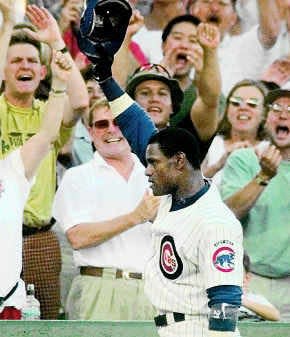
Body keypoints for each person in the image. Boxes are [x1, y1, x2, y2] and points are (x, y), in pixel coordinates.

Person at [0, 4, 88, 319]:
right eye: (16, 60)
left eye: (32, 61)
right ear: (4, 70)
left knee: (46, 321)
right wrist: (9, 23)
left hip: (38, 239)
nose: (25, 66)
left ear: (42, 71)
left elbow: (79, 103)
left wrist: (56, 44)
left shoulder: (48, 111)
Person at [52, 97, 160, 320]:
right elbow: (78, 237)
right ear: (91, 132)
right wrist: (135, 217)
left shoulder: (158, 173)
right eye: (102, 124)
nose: (111, 130)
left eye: (118, 122)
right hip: (99, 287)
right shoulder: (77, 177)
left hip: (154, 290)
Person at [144, 127, 243, 337]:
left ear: (179, 161)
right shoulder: (171, 198)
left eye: (153, 162)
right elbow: (135, 125)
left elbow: (226, 300)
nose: (147, 170)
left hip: (199, 329)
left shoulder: (215, 221)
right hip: (172, 326)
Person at [220, 88, 290, 320]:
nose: (283, 115)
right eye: (276, 109)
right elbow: (229, 212)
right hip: (252, 283)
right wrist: (263, 176)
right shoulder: (244, 159)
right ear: (265, 119)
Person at [189, 0, 288, 94]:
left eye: (222, 3)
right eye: (206, 1)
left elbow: (270, 33)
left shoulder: (242, 46)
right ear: (192, 10)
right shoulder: (177, 44)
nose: (214, 8)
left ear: (233, 18)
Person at [202, 79, 269, 187]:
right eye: (236, 102)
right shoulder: (213, 142)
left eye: (252, 104)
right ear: (227, 109)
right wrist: (218, 165)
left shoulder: (269, 149)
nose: (242, 107)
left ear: (264, 113)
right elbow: (192, 190)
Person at [239, 251, 280, 322]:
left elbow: (275, 315)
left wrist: (241, 300)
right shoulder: (216, 299)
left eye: (236, 273)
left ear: (246, 278)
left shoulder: (254, 299)